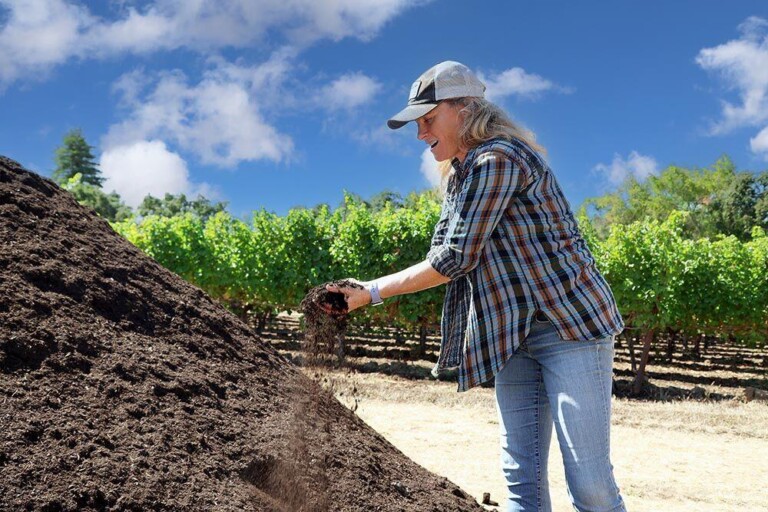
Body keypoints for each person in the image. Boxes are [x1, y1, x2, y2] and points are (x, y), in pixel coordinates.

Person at [325, 61, 627, 512]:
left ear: (464, 109)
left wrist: (371, 291)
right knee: (521, 477)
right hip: (511, 335)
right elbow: (446, 253)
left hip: (569, 329)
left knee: (589, 481)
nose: (421, 133)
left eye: (428, 119)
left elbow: (453, 258)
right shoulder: (460, 177)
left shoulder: (498, 158)